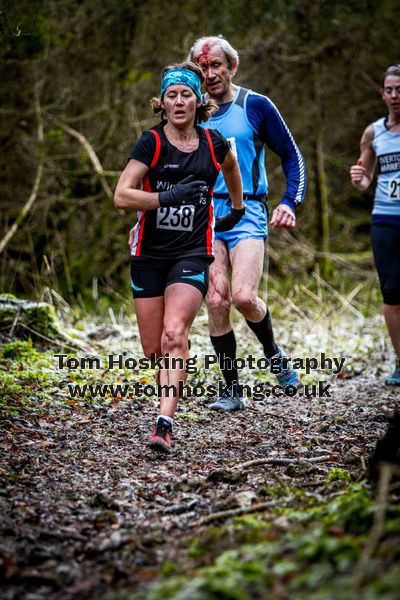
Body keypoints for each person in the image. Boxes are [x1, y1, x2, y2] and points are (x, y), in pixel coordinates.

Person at [115, 62, 245, 452]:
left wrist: (235, 209)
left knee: (176, 334)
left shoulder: (213, 142)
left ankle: (164, 423)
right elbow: (121, 195)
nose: (178, 101)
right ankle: (168, 393)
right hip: (149, 254)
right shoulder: (151, 143)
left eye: (185, 94)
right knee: (154, 349)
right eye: (171, 95)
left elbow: (232, 166)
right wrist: (166, 198)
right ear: (162, 102)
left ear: (197, 100)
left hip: (192, 252)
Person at [187, 36, 307, 410]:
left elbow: (292, 155)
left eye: (216, 66)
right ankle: (231, 392)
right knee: (217, 299)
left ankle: (274, 354)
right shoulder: (191, 114)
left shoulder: (255, 106)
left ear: (232, 67)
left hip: (249, 211)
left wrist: (290, 201)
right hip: (207, 216)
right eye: (203, 68)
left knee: (242, 297)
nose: (210, 74)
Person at [350, 64, 400, 386]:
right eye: (390, 90)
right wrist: (360, 179)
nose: (395, 96)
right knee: (392, 292)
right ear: (382, 94)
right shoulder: (374, 132)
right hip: (385, 219)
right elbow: (365, 179)